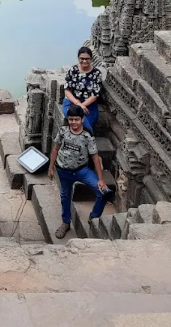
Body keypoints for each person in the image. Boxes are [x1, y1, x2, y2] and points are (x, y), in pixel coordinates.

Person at [48, 105, 112, 239]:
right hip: (63, 170)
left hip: (81, 170)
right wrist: (51, 167)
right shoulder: (63, 131)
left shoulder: (87, 135)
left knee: (103, 193)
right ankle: (66, 222)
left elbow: (95, 157)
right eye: (71, 119)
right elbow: (55, 149)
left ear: (82, 119)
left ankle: (94, 216)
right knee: (65, 196)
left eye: (76, 119)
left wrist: (100, 179)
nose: (73, 122)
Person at [62, 46, 102, 132]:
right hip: (71, 103)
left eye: (87, 59)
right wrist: (78, 105)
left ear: (91, 59)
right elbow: (67, 90)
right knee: (82, 123)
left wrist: (83, 105)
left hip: (89, 105)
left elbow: (95, 95)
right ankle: (89, 140)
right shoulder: (73, 70)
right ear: (78, 58)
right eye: (82, 58)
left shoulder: (96, 73)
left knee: (85, 122)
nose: (84, 61)